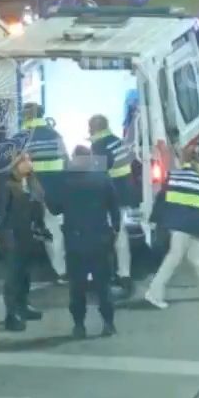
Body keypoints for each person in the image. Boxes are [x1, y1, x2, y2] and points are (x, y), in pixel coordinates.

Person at [0, 102, 69, 281]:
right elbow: (66, 162)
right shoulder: (55, 135)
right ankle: (61, 271)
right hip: (53, 191)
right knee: (53, 230)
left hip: (27, 193)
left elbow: (11, 165)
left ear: (25, 116)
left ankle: (22, 272)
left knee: (22, 232)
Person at [144, 140, 199, 309]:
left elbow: (161, 197)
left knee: (197, 254)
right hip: (186, 223)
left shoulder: (175, 175)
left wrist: (154, 221)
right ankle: (154, 292)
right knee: (174, 257)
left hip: (172, 221)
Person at [56, 145, 122, 338]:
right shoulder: (102, 178)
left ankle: (79, 326)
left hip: (75, 241)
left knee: (77, 288)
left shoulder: (66, 181)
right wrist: (115, 228)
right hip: (100, 239)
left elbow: (55, 208)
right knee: (103, 286)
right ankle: (108, 324)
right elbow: (114, 206)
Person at [0, 153, 47, 332]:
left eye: (30, 160)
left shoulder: (31, 182)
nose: (30, 163)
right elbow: (2, 212)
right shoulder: (7, 185)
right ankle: (11, 315)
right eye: (25, 160)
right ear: (16, 165)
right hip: (11, 235)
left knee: (25, 275)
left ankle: (23, 306)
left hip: (27, 234)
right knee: (13, 277)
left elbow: (38, 206)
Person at [88, 114, 138, 281]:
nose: (88, 129)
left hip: (109, 197)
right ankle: (124, 273)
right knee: (120, 233)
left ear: (96, 128)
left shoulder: (99, 146)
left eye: (90, 126)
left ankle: (104, 274)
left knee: (106, 235)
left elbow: (97, 172)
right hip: (124, 193)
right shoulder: (117, 140)